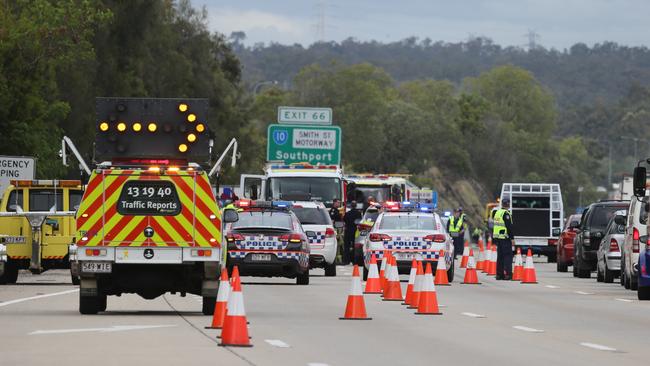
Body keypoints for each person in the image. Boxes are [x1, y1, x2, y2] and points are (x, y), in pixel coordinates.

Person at [493, 197, 515, 280]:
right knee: (508, 256)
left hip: (498, 238)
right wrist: (512, 238)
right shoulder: (506, 214)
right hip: (505, 238)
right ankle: (508, 274)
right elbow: (509, 227)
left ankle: (499, 274)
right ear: (508, 204)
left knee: (500, 257)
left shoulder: (497, 212)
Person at [343, 200, 362, 265]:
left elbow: (344, 220)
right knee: (355, 247)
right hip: (356, 231)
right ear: (356, 205)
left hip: (348, 231)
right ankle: (355, 261)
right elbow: (360, 221)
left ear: (351, 206)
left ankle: (346, 261)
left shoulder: (347, 213)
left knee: (347, 246)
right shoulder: (358, 213)